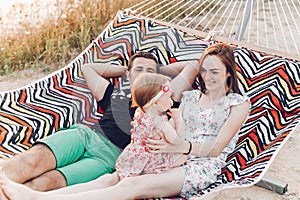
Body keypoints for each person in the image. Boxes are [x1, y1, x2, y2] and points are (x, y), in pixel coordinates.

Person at [0, 43, 251, 200]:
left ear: (229, 72)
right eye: (205, 71)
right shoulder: (187, 97)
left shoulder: (230, 102)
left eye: (214, 71)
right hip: (105, 141)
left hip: (181, 163)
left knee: (126, 184)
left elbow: (215, 147)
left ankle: (32, 197)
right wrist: (133, 77)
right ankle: (24, 192)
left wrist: (156, 75)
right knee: (102, 178)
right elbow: (89, 68)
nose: (207, 76)